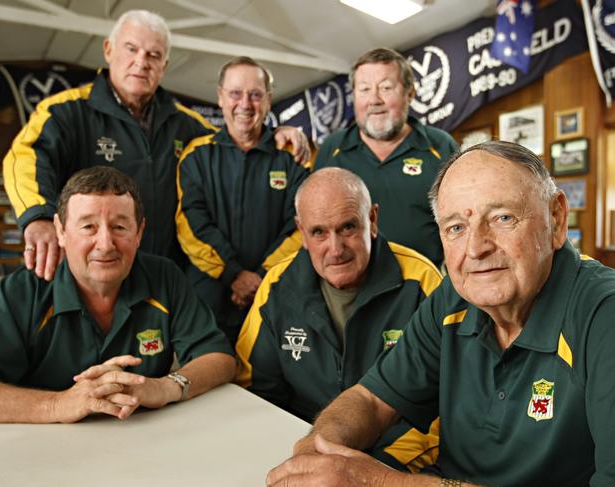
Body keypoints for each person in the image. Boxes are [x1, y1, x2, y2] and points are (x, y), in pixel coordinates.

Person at [267, 140, 615, 487]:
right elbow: (371, 400)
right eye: (456, 228)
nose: (476, 249)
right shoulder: (454, 297)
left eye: (503, 218)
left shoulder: (604, 314)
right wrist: (320, 447)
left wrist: (379, 483)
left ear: (555, 220)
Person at [2, 9, 309, 282]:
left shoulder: (188, 125)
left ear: (164, 65)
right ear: (108, 50)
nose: (141, 62)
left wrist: (275, 132)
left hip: (161, 282)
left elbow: (233, 139)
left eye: (153, 55)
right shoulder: (66, 112)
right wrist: (38, 216)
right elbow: (25, 157)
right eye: (131, 49)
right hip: (90, 277)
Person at [0, 166, 235, 423]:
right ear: (61, 231)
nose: (105, 245)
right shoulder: (23, 291)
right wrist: (58, 404)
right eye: (88, 227)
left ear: (139, 232)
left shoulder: (164, 276)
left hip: (145, 446)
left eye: (119, 227)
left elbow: (219, 358)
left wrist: (165, 387)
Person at [235, 167, 442, 470]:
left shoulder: (423, 283)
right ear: (301, 233)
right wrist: (292, 456)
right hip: (299, 452)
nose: (336, 249)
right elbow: (254, 389)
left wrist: (377, 467)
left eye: (347, 227)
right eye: (319, 232)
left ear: (372, 220)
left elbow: (444, 407)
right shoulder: (276, 286)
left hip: (391, 459)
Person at [176, 57, 309, 345]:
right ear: (221, 97)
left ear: (269, 100)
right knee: (204, 376)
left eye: (256, 94)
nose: (245, 104)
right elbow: (190, 222)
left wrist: (261, 276)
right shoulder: (196, 156)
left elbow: (302, 225)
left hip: (275, 293)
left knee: (269, 386)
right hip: (207, 297)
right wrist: (234, 274)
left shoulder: (293, 157)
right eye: (235, 93)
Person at [314, 48, 457, 268]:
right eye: (364, 90)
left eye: (386, 88)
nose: (374, 100)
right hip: (351, 289)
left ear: (410, 93)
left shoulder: (440, 146)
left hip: (424, 287)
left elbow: (461, 221)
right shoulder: (332, 149)